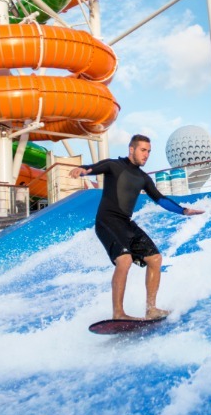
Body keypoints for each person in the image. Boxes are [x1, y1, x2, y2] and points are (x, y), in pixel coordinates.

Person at [69, 134, 203, 321]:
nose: (146, 154)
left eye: (148, 151)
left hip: (126, 222)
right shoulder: (114, 166)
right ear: (131, 149)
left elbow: (160, 199)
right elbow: (94, 167)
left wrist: (183, 211)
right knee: (124, 260)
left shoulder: (143, 178)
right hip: (107, 221)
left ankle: (151, 309)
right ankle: (118, 313)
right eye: (143, 150)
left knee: (155, 259)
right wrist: (82, 170)